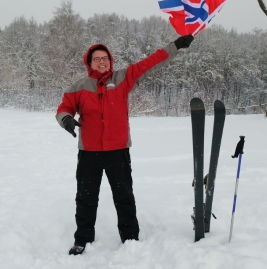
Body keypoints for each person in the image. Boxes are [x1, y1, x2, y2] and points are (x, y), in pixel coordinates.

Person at [56, 34, 194, 255]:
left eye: (105, 58)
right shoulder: (79, 86)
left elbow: (151, 62)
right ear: (89, 63)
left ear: (110, 60)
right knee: (86, 197)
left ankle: (130, 237)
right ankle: (82, 238)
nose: (102, 62)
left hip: (117, 151)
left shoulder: (122, 78)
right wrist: (66, 120)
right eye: (97, 59)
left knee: (124, 196)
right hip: (89, 153)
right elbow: (64, 108)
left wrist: (175, 46)